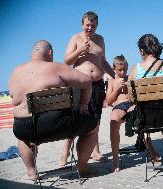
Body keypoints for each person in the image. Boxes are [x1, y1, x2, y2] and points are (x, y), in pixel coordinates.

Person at [9, 40, 98, 180]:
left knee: (23, 139)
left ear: (32, 54)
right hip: (57, 125)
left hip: (24, 128)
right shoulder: (56, 67)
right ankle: (82, 166)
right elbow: (87, 81)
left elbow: (13, 97)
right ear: (50, 53)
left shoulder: (16, 71)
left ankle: (32, 172)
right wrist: (84, 104)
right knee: (93, 127)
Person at [59, 11, 115, 167]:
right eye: (87, 25)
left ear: (97, 25)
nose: (90, 28)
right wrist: (79, 50)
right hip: (80, 84)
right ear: (82, 24)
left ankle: (95, 151)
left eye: (93, 25)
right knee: (75, 118)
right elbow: (67, 60)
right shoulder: (75, 38)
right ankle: (65, 153)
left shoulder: (100, 40)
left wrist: (115, 76)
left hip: (97, 84)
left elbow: (103, 61)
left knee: (95, 118)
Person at [128, 34, 163, 164]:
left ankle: (150, 149)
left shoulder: (136, 69)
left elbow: (132, 97)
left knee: (139, 111)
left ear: (141, 51)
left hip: (148, 120)